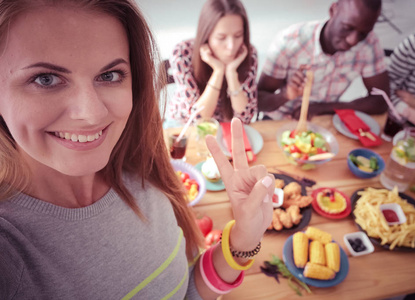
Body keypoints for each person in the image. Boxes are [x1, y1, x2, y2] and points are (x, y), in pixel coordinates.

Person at [0, 1, 274, 299]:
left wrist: (243, 240)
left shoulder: (142, 167)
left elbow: (183, 291)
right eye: (46, 79)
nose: (91, 114)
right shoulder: (10, 248)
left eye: (109, 76)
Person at [257, 0, 389, 121]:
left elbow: (381, 100)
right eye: (347, 27)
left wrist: (324, 108)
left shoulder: (369, 44)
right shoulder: (290, 41)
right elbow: (258, 101)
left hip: (322, 122)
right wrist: (285, 95)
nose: (353, 40)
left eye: (363, 33)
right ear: (333, 10)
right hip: (278, 121)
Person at [168, 0, 258, 124]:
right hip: (183, 126)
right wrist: (218, 71)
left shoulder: (248, 53)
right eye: (221, 38)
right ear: (206, 35)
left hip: (224, 126)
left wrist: (231, 73)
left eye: (238, 36)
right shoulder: (182, 53)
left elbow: (245, 117)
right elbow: (198, 118)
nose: (231, 46)